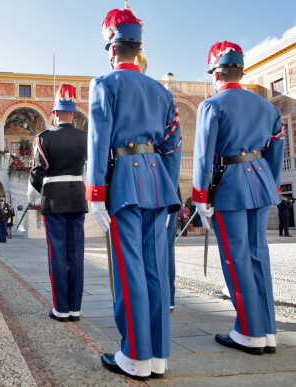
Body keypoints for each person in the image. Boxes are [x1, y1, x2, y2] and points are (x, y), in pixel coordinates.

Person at [86, 6, 182, 379]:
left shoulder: (105, 84)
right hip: (157, 180)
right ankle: (158, 355)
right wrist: (168, 187)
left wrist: (95, 191)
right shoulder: (161, 92)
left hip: (125, 178)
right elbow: (172, 145)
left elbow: (99, 140)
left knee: (130, 270)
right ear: (138, 49)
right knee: (155, 269)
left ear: (112, 49)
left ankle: (135, 356)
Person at [193, 41, 284, 356]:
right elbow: (276, 150)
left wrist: (201, 197)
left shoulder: (212, 105)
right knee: (259, 256)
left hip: (230, 185)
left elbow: (204, 155)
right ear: (240, 71)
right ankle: (267, 330)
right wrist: (269, 184)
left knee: (236, 258)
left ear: (215, 72)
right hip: (260, 182)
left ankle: (248, 331)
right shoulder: (267, 107)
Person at [28, 83, 88, 324]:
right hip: (77, 196)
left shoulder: (44, 138)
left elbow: (37, 172)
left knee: (58, 254)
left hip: (53, 198)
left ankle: (61, 309)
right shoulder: (86, 138)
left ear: (54, 112)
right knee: (76, 254)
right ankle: (75, 308)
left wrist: (32, 197)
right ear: (74, 114)